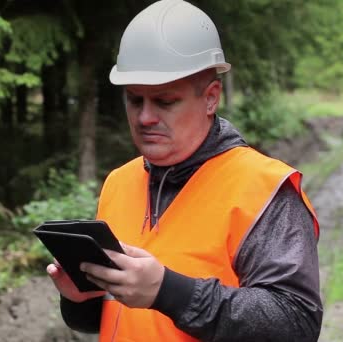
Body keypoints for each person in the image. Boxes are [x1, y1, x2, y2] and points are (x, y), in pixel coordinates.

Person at [46, 0, 322, 341]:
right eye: (135, 100)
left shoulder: (262, 190)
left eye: (165, 101)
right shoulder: (119, 182)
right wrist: (79, 300)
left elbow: (296, 325)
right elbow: (117, 318)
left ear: (210, 97)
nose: (145, 117)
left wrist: (168, 292)